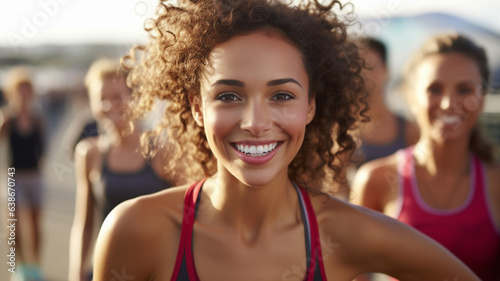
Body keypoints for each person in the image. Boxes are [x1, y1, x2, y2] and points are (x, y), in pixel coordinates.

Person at [94, 1, 480, 280]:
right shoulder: (136, 229)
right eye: (229, 95)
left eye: (282, 96)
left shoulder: (344, 233)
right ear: (197, 107)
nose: (256, 123)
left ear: (311, 106)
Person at [352, 33, 500, 281]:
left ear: (481, 99)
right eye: (434, 89)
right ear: (411, 96)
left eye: (464, 89)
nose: (448, 104)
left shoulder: (496, 183)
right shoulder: (375, 180)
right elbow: (355, 272)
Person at [68, 59, 174, 281]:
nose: (109, 106)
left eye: (117, 97)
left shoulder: (163, 150)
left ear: (135, 98)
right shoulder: (89, 154)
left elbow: (186, 218)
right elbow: (84, 224)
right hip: (107, 269)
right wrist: (76, 272)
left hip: (158, 270)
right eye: (101, 99)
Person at [0, 66, 46, 281]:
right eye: (20, 89)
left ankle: (35, 267)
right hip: (12, 176)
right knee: (14, 224)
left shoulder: (38, 119)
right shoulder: (7, 119)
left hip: (34, 176)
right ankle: (18, 267)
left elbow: (43, 148)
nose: (24, 94)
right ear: (13, 92)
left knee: (36, 224)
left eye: (27, 89)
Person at [355, 37, 419, 164]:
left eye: (370, 67)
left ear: (386, 70)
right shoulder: (340, 131)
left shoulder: (410, 130)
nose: (364, 75)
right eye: (357, 69)